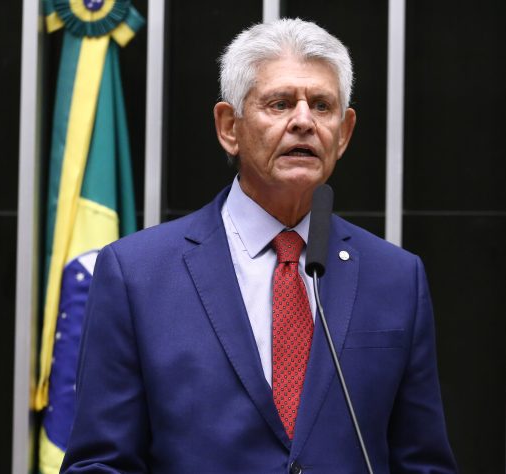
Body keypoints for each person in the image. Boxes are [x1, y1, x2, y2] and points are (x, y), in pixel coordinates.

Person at [61, 18, 457, 474]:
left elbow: (423, 463)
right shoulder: (137, 274)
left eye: (322, 106)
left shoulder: (396, 278)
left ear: (344, 133)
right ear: (229, 126)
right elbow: (102, 464)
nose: (304, 121)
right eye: (280, 103)